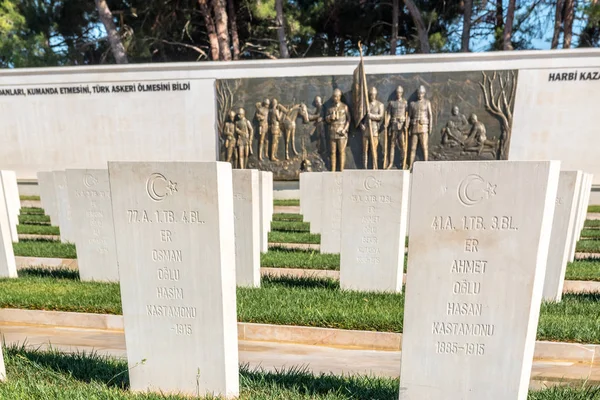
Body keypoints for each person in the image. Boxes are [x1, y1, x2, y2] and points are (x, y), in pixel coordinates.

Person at [325, 89, 350, 172]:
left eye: (337, 96)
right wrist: (329, 118)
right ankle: (333, 170)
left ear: (340, 97)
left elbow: (348, 120)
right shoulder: (330, 108)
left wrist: (345, 129)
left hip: (341, 132)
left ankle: (341, 170)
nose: (335, 98)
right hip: (332, 131)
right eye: (334, 96)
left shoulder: (344, 107)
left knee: (342, 151)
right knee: (332, 152)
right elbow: (326, 119)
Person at [407, 85, 432, 169]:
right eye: (418, 93)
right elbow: (409, 116)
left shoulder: (427, 102)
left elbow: (430, 115)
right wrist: (407, 125)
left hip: (424, 127)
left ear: (424, 94)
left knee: (424, 146)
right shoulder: (412, 104)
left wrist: (430, 127)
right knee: (412, 148)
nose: (419, 95)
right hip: (414, 127)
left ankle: (426, 163)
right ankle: (410, 165)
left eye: (421, 93)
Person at [360, 87, 384, 169]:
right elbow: (361, 117)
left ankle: (374, 166)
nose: (372, 96)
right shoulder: (366, 105)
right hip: (366, 129)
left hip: (374, 130)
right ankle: (365, 166)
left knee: (374, 150)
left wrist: (372, 116)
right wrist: (361, 124)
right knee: (365, 150)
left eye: (374, 95)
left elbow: (380, 116)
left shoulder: (380, 105)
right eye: (371, 95)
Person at [385, 85, 408, 169]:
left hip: (401, 126)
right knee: (392, 145)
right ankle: (390, 163)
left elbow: (408, 115)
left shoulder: (405, 103)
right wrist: (386, 123)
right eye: (397, 92)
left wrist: (406, 123)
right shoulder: (392, 103)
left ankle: (404, 162)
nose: (398, 94)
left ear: (402, 93)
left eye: (400, 92)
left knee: (403, 145)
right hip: (394, 125)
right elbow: (389, 114)